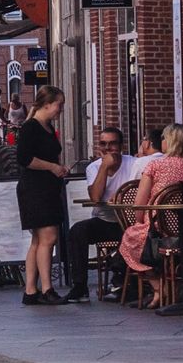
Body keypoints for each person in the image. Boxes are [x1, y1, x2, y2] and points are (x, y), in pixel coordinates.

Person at [117, 124, 183, 275]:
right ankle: (171, 286)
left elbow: (139, 206)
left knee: (128, 240)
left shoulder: (155, 165)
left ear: (170, 141)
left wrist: (139, 222)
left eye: (163, 138)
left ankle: (159, 287)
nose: (161, 141)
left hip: (159, 229)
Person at [63, 125, 135, 302]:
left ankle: (124, 282)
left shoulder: (133, 163)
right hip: (106, 220)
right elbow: (95, 197)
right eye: (103, 144)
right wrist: (104, 168)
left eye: (112, 144)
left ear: (121, 146)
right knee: (77, 231)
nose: (107, 148)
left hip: (130, 222)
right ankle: (80, 287)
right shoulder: (94, 167)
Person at [15, 84, 69, 305]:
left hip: (45, 187)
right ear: (47, 104)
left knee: (38, 240)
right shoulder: (31, 127)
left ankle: (30, 290)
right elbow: (24, 158)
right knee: (49, 238)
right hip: (36, 188)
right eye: (59, 104)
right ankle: (47, 288)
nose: (60, 109)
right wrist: (52, 167)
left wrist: (56, 167)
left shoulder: (44, 127)